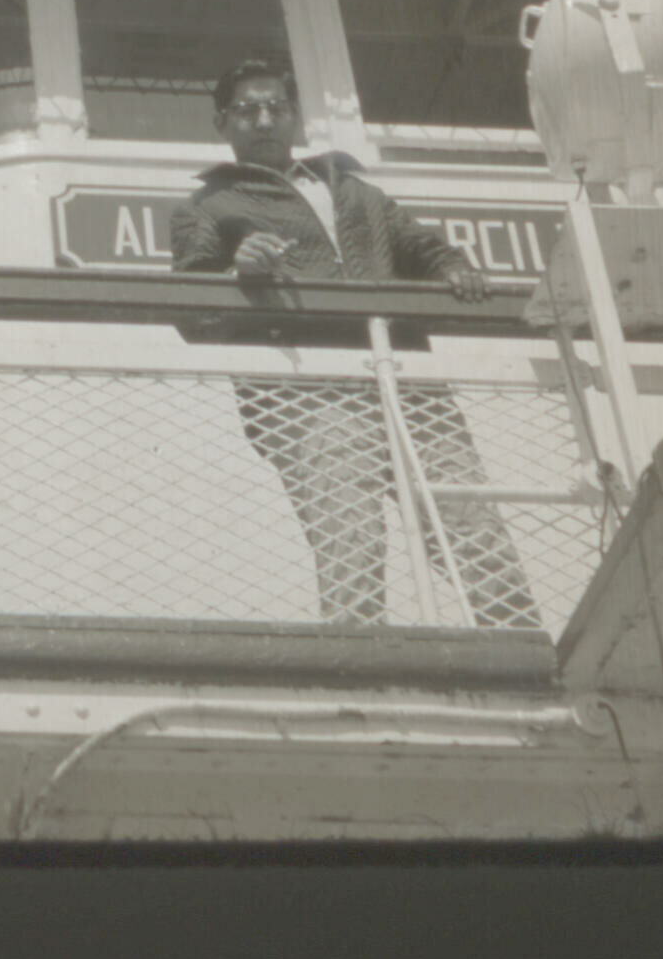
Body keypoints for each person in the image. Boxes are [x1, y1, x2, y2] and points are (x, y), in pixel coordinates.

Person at [171, 59, 541, 630]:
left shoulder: (354, 190)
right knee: (351, 535)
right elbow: (192, 307)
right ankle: (360, 664)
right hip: (307, 390)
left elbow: (423, 247)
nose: (264, 119)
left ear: (294, 116)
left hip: (405, 377)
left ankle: (523, 646)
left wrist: (457, 267)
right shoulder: (209, 205)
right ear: (223, 123)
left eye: (277, 107)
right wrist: (237, 272)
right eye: (247, 110)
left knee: (470, 521)